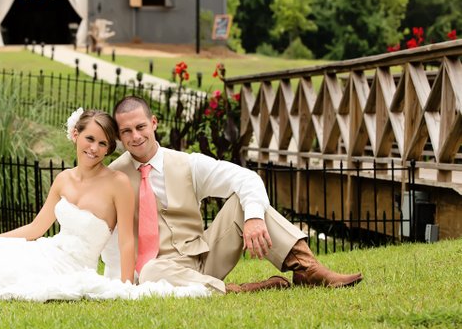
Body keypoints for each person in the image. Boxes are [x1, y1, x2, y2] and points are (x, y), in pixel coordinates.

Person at [0, 109, 210, 302]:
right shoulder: (63, 179)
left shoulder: (117, 184)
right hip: (46, 251)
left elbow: (126, 239)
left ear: (109, 148)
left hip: (73, 267)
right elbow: (37, 228)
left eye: (103, 143)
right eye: (89, 139)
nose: (94, 148)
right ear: (76, 136)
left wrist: (124, 286)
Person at [101, 96, 363, 293]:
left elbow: (245, 178)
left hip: (203, 258)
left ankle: (308, 269)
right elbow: (103, 233)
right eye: (126, 131)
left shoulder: (187, 164)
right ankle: (237, 290)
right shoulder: (114, 176)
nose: (135, 136)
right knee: (149, 272)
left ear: (154, 123)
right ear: (119, 135)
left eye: (140, 127)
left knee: (245, 202)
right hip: (159, 272)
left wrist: (253, 219)